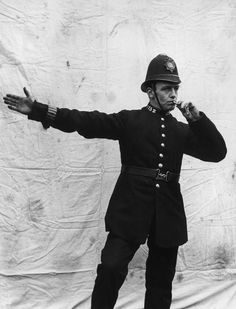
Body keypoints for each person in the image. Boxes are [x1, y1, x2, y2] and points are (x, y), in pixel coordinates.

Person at [3, 54, 227, 309]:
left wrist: (198, 120)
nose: (173, 94)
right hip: (130, 210)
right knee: (110, 269)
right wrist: (39, 110)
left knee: (161, 282)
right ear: (150, 91)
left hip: (168, 214)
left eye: (176, 88)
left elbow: (217, 152)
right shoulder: (129, 120)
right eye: (167, 88)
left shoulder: (181, 130)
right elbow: (85, 121)